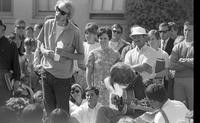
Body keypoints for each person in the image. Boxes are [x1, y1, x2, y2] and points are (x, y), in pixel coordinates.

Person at [36, 0, 84, 115]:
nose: (57, 13)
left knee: (62, 112)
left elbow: (81, 55)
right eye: (57, 9)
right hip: (46, 72)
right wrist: (45, 51)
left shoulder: (75, 31)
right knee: (48, 110)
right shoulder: (48, 23)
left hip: (63, 77)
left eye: (62, 12)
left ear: (68, 15)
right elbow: (40, 42)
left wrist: (64, 53)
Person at [86, 26, 120, 106]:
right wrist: (90, 87)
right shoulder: (93, 54)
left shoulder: (116, 54)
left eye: (105, 38)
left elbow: (118, 74)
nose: (103, 40)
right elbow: (88, 72)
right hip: (96, 90)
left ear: (109, 39)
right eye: (101, 38)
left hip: (111, 90)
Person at [169, 21, 193, 110]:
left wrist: (182, 61)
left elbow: (176, 64)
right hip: (178, 81)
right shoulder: (177, 46)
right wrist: (189, 64)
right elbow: (171, 65)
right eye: (185, 30)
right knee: (180, 108)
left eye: (190, 30)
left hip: (192, 80)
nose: (187, 32)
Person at [0, 20, 21, 106]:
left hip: (5, 80)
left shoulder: (11, 44)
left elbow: (16, 64)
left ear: (3, 28)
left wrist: (16, 80)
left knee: (5, 106)